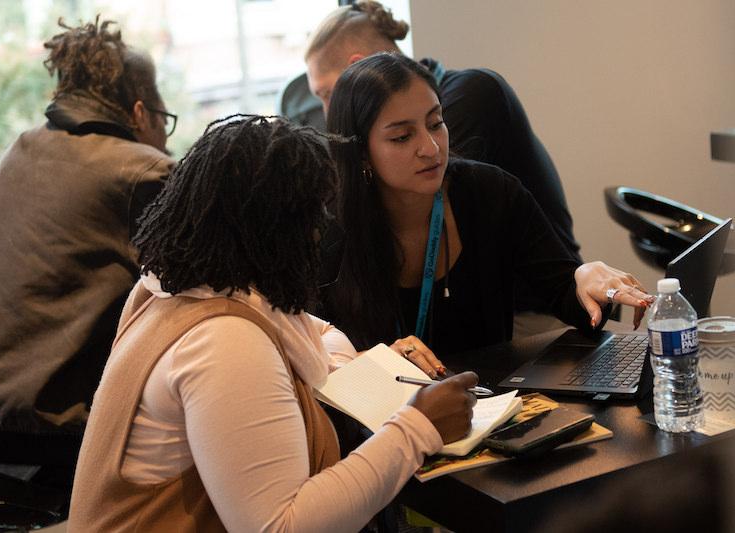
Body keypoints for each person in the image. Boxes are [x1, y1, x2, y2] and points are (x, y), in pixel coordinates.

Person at [68, 115, 478, 531]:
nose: (319, 234)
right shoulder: (224, 342)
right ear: (273, 230)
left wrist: (354, 367)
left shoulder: (175, 292)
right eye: (311, 218)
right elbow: (279, 526)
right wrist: (416, 428)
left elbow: (316, 332)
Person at [323, 52, 653, 377]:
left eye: (436, 123)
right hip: (382, 422)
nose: (431, 147)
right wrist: (372, 362)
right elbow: (305, 356)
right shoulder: (325, 228)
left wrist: (586, 279)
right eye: (402, 137)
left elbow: (568, 298)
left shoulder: (490, 192)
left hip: (491, 410)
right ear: (361, 153)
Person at [0, 17, 174, 486]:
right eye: (166, 122)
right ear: (141, 114)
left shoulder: (19, 151)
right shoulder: (144, 172)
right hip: (48, 440)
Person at [303, 0, 581, 274]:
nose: (330, 114)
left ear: (359, 69)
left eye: (328, 94)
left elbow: (415, 207)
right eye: (402, 136)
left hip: (533, 303)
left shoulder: (472, 94)